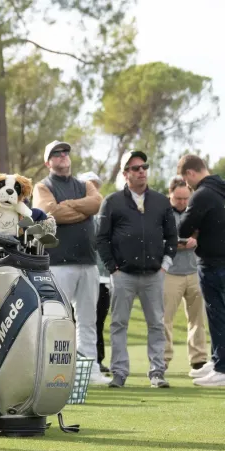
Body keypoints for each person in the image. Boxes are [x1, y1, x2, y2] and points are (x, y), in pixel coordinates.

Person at [96, 150, 176, 389]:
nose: (141, 171)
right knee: (119, 324)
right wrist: (113, 269)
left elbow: (172, 237)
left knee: (156, 324)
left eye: (144, 166)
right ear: (125, 174)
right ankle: (119, 373)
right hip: (123, 276)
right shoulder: (112, 201)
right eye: (135, 168)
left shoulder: (161, 201)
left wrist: (165, 266)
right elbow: (102, 239)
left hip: (154, 275)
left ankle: (157, 373)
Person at [32, 141, 108, 385]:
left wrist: (69, 207)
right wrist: (81, 210)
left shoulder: (84, 184)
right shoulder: (43, 186)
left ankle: (90, 371)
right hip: (57, 263)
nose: (63, 156)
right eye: (57, 153)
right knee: (57, 321)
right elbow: (50, 213)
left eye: (65, 152)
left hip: (88, 263)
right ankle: (55, 372)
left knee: (87, 321)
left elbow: (96, 203)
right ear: (48, 161)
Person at [177, 154, 225, 386]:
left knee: (217, 316)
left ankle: (222, 368)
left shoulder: (202, 195)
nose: (187, 185)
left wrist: (194, 230)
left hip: (213, 263)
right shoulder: (221, 188)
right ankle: (218, 361)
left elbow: (184, 227)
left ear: (190, 174)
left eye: (186, 180)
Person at [163, 176, 208, 375]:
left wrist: (193, 240)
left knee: (197, 318)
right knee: (165, 319)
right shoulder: (163, 214)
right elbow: (162, 240)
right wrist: (181, 243)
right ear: (170, 195)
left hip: (195, 271)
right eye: (178, 198)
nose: (182, 202)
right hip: (170, 273)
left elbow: (203, 234)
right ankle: (162, 359)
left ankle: (198, 360)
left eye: (185, 198)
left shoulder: (196, 210)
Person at [78, 171, 111, 374]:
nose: (93, 189)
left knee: (97, 322)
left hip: (103, 278)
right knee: (80, 322)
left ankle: (97, 361)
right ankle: (79, 362)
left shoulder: (103, 216)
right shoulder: (76, 217)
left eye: (95, 185)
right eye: (89, 185)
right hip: (80, 275)